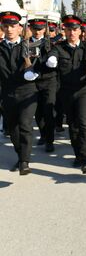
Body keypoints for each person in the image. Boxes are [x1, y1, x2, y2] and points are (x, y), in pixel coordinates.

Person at [48, 15, 86, 174]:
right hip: (67, 92)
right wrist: (51, 59)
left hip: (84, 90)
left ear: (80, 31)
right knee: (73, 125)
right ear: (64, 30)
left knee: (83, 123)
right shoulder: (59, 47)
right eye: (68, 29)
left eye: (75, 29)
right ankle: (78, 155)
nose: (71, 32)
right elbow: (52, 55)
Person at [0, 11, 40, 175]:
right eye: (6, 26)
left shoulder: (30, 46)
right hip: (7, 93)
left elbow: (41, 64)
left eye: (13, 26)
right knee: (12, 128)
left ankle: (24, 161)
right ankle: (20, 154)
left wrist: (36, 71)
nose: (10, 29)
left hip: (27, 92)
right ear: (2, 27)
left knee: (25, 125)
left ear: (19, 28)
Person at [29, 18, 57, 152]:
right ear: (30, 29)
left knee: (48, 111)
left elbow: (54, 57)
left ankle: (50, 140)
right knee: (38, 113)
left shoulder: (50, 44)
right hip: (33, 82)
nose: (37, 31)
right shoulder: (25, 44)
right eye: (34, 28)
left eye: (40, 29)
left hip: (48, 81)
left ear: (44, 30)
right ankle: (43, 134)